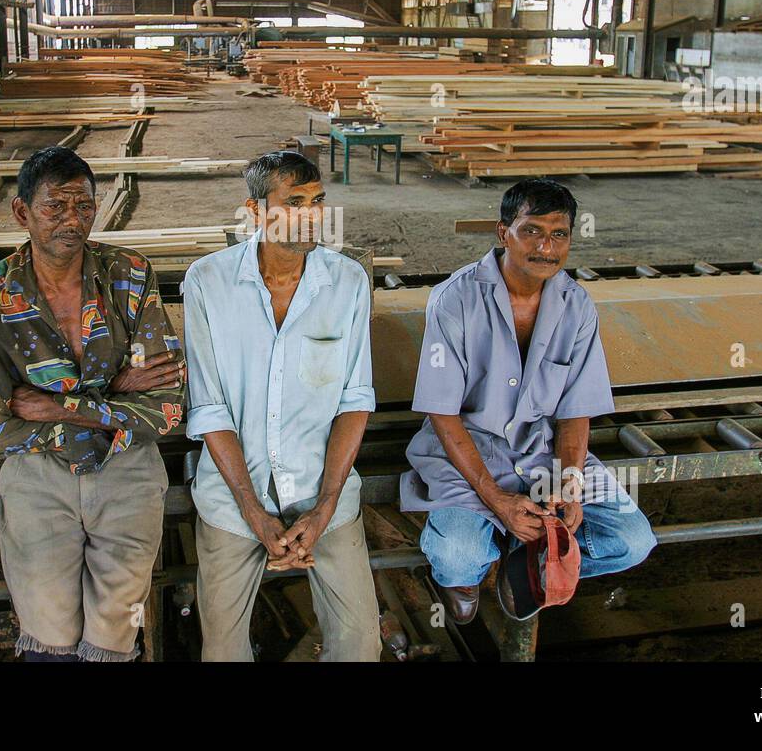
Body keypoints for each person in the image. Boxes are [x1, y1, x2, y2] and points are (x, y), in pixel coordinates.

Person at [0, 146, 185, 661]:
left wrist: (59, 408)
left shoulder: (128, 274)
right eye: (54, 207)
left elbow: (168, 408)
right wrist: (115, 392)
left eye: (84, 207)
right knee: (48, 635)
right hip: (37, 480)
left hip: (127, 474)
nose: (72, 221)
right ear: (21, 213)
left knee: (115, 635)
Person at [401, 177, 655, 623]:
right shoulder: (455, 299)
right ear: (504, 233)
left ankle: (522, 556)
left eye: (559, 235)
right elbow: (442, 413)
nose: (546, 248)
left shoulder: (576, 305)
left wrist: (569, 484)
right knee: (457, 556)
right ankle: (479, 564)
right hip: (468, 456)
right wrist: (496, 499)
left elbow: (576, 412)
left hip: (541, 455)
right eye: (532, 231)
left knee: (632, 540)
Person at [182, 151, 381, 661]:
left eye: (317, 202)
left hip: (323, 496)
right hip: (233, 500)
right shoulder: (208, 281)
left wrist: (325, 507)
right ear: (254, 211)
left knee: (360, 642)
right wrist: (254, 511)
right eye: (293, 203)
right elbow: (208, 408)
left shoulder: (347, 282)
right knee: (223, 650)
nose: (311, 214)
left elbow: (354, 402)